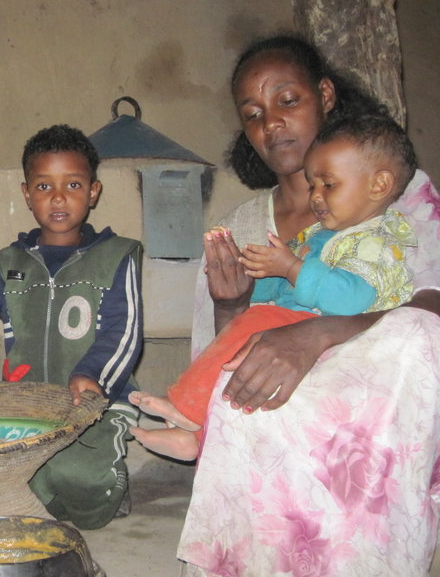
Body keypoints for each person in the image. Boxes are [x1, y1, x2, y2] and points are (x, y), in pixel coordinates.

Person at [179, 35, 440, 577]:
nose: (271, 124)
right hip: (279, 392)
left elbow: (429, 302)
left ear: (324, 96)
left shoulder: (395, 190)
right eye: (252, 115)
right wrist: (231, 302)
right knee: (243, 365)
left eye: (287, 100)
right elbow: (220, 348)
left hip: (371, 391)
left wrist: (321, 334)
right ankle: (264, 555)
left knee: (416, 338)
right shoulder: (244, 227)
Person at [131, 113, 418, 461]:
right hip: (301, 327)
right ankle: (194, 434)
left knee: (254, 328)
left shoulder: (376, 241)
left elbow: (351, 299)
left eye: (328, 184)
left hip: (352, 349)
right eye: (312, 185)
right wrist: (249, 282)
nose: (315, 196)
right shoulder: (320, 236)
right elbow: (284, 285)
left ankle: (186, 405)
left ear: (379, 185)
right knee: (246, 333)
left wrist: (293, 267)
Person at [0, 124, 143, 530]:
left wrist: (91, 374)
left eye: (72, 184)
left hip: (94, 403)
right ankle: (45, 493)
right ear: (26, 194)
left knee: (82, 485)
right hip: (26, 405)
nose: (58, 198)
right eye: (44, 186)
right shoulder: (8, 263)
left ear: (93, 191)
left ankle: (111, 487)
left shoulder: (117, 255)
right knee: (11, 482)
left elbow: (123, 331)